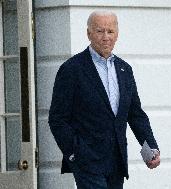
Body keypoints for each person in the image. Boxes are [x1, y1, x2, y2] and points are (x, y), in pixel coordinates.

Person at [48, 11, 160, 189]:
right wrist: (75, 153)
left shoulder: (125, 70)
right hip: (87, 161)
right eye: (100, 31)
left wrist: (151, 147)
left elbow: (135, 114)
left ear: (117, 34)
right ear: (89, 34)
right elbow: (57, 119)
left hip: (117, 161)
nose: (105, 37)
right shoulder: (72, 69)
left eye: (110, 31)